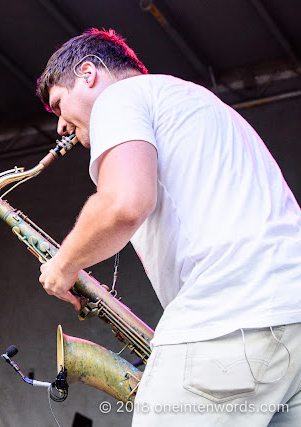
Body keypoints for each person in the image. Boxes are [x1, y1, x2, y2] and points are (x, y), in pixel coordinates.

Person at [36, 28, 301, 425]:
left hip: (229, 316)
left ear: (88, 72)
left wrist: (62, 265)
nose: (60, 127)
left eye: (59, 105)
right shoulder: (198, 103)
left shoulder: (120, 98)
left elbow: (124, 203)